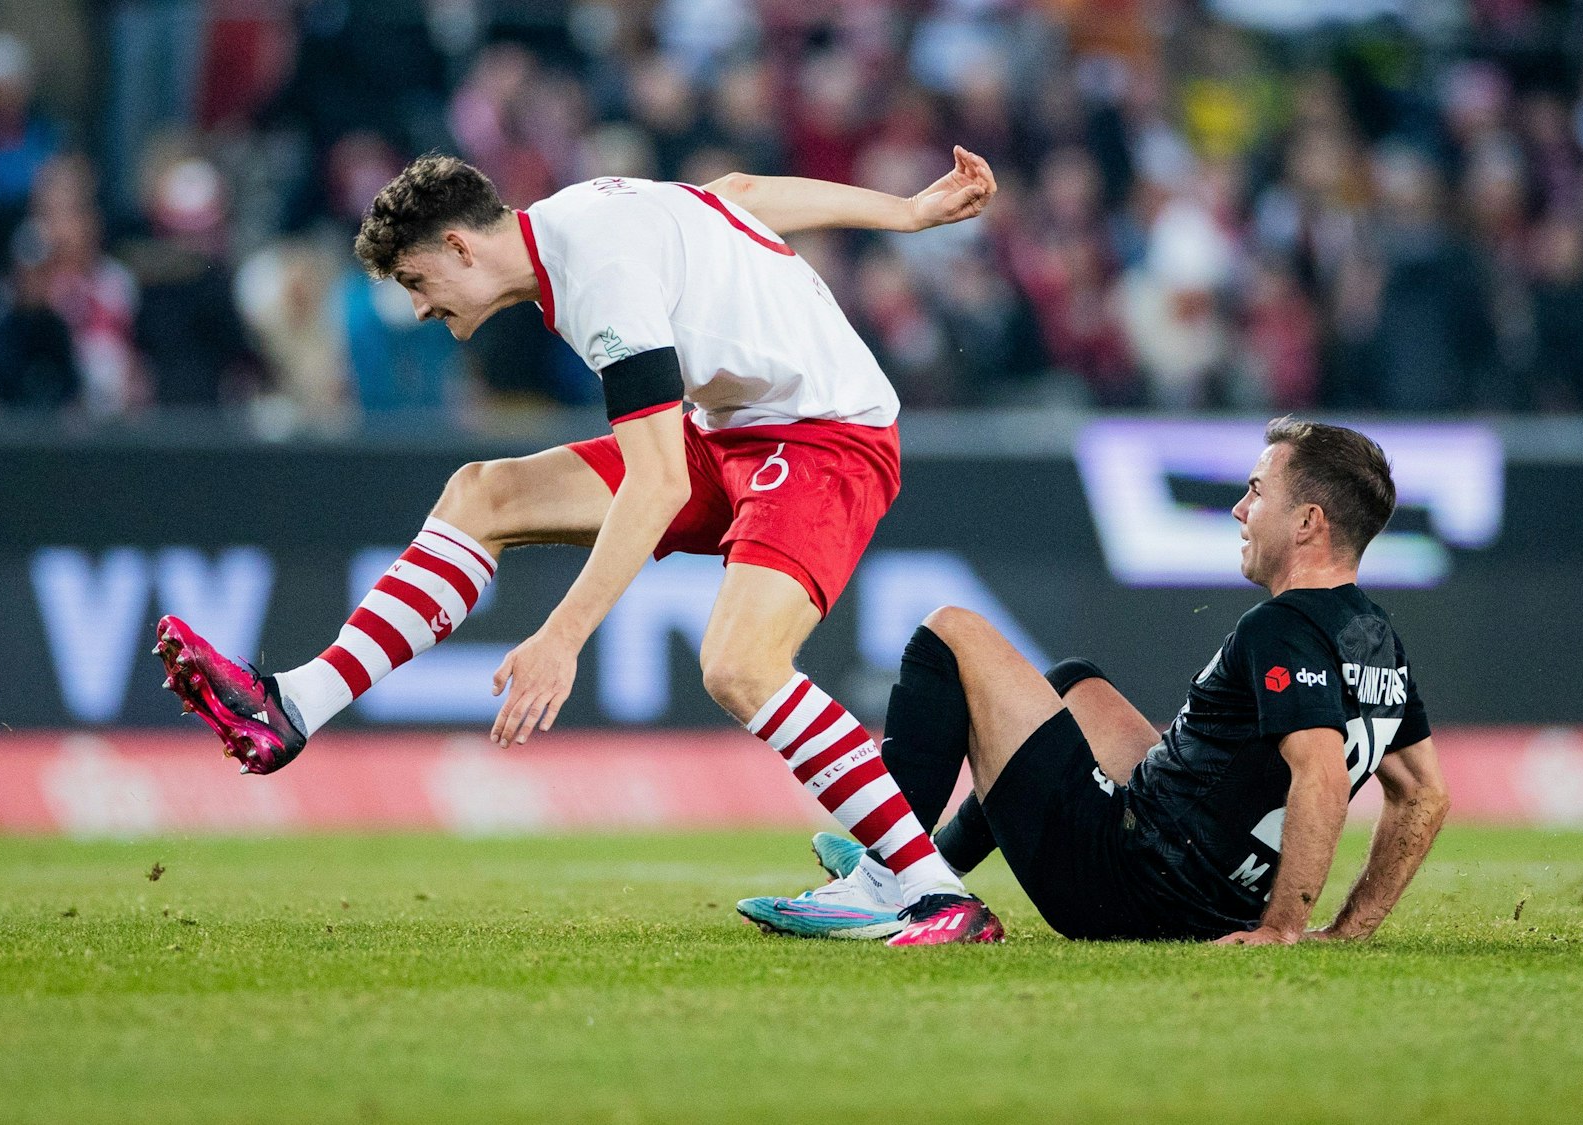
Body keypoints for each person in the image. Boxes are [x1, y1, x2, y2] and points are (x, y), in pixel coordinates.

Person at [157, 148, 1004, 945]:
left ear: (459, 245)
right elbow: (740, 193)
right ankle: (295, 704)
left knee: (740, 665)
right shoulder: (572, 219)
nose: (419, 306)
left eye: (418, 280)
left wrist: (562, 636)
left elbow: (659, 482)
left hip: (826, 438)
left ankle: (935, 890)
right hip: (735, 430)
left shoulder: (597, 274)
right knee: (480, 495)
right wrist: (906, 211)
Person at [741, 419, 1450, 944]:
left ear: (1308, 522)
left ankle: (884, 877)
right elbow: (1423, 794)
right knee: (1074, 685)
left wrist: (1286, 928)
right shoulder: (1378, 641)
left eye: (1257, 491)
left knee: (949, 630)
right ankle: (930, 857)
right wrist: (1350, 930)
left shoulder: (1281, 629)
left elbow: (1320, 772)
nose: (1239, 508)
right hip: (1204, 892)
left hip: (1126, 884)